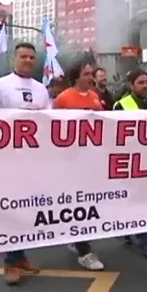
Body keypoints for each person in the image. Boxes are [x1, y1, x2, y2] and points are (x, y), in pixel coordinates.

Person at [0, 42, 48, 285]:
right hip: (7, 161)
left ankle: (20, 256)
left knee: (28, 209)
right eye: (23, 56)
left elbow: (48, 123)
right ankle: (9, 262)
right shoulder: (1, 85)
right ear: (14, 59)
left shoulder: (41, 89)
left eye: (32, 57)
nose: (28, 60)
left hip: (32, 161)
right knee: (10, 210)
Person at [53, 61, 106, 271]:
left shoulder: (94, 96)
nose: (91, 77)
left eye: (92, 74)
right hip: (71, 159)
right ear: (76, 77)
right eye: (86, 74)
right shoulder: (63, 98)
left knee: (89, 201)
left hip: (91, 158)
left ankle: (76, 239)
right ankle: (85, 252)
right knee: (78, 203)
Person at [112, 69, 147, 259]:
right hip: (129, 160)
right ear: (131, 85)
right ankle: (142, 239)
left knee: (143, 200)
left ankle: (138, 235)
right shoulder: (120, 105)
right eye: (140, 82)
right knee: (133, 199)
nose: (145, 86)